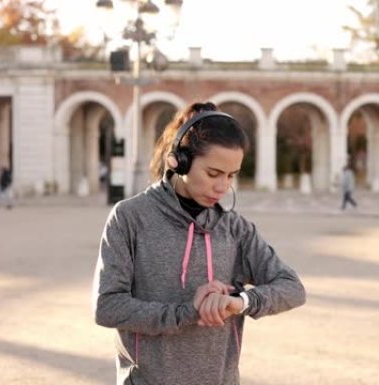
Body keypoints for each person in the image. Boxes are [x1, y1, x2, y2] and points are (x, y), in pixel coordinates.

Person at [92, 101, 306, 385]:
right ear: (179, 161)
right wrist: (186, 312)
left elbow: (292, 288)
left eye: (231, 176)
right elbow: (107, 307)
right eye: (213, 173)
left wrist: (239, 303)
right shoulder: (129, 218)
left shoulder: (236, 228)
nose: (222, 187)